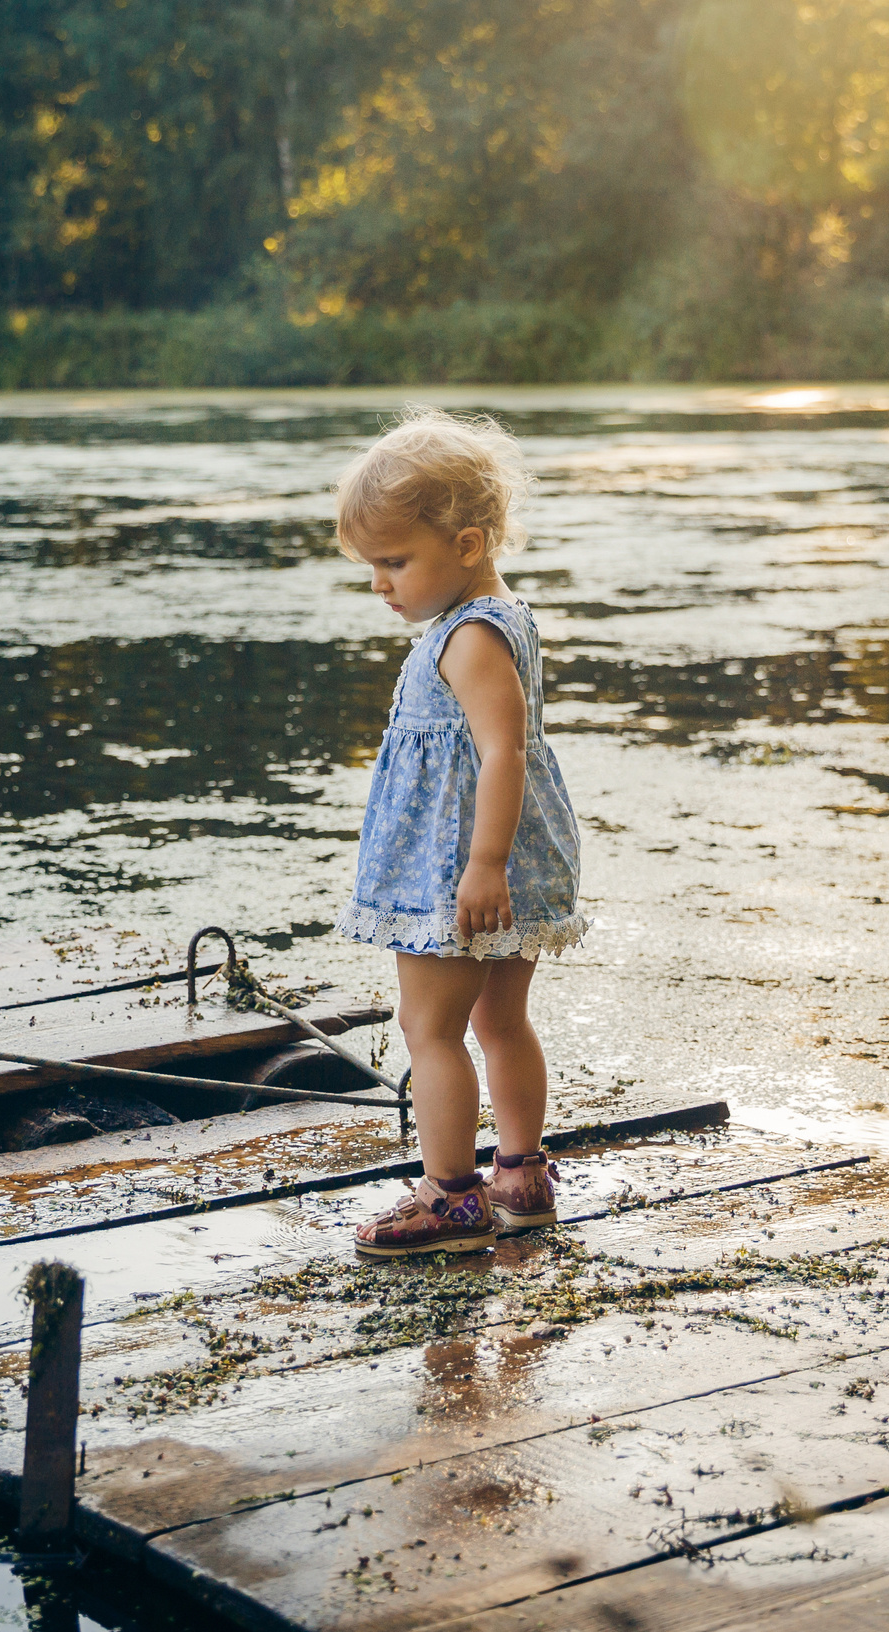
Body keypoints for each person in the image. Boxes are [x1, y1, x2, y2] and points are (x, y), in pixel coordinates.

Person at [333, 409, 587, 1259]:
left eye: (396, 561)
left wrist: (483, 864)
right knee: (500, 1018)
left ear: (468, 544)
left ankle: (449, 1195)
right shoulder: (498, 617)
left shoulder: (471, 635)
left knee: (428, 1027)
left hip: (464, 866)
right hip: (508, 856)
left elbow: (501, 751)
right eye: (373, 565)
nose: (381, 584)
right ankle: (520, 1175)